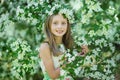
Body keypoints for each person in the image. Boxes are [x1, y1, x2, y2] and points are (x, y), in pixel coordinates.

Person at [39, 13, 89, 80]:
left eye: (63, 23)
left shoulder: (68, 45)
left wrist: (84, 55)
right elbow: (53, 75)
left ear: (67, 25)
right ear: (49, 25)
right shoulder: (45, 47)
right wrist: (74, 60)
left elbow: (75, 70)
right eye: (55, 23)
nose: (60, 26)